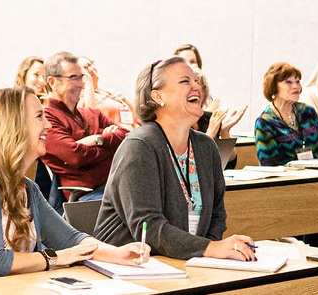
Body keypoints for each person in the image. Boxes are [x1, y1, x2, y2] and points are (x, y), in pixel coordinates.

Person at [0, 87, 146, 287]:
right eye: (39, 117)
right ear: (14, 126)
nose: (48, 125)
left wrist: (118, 254)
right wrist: (56, 258)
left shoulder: (27, 188)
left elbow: (71, 239)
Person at [94, 56, 255, 261]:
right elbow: (149, 227)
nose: (196, 86)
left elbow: (217, 216)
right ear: (158, 96)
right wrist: (211, 248)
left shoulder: (206, 147)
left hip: (184, 262)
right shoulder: (139, 147)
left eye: (196, 81)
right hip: (130, 268)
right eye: (185, 81)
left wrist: (208, 257)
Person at [41, 51, 129, 201]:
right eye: (72, 78)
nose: (80, 84)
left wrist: (97, 139)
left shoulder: (91, 114)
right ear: (52, 82)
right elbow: (75, 156)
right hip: (87, 194)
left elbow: (126, 137)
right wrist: (108, 143)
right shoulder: (47, 118)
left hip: (115, 184)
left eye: (81, 77)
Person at [254, 62, 318, 166]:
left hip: (317, 175)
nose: (296, 86)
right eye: (289, 82)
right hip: (287, 180)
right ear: (273, 87)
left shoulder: (308, 112)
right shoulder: (265, 122)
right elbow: (269, 164)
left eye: (297, 82)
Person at [77, 56, 138, 130]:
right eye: (85, 68)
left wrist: (125, 101)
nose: (91, 69)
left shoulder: (109, 92)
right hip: (117, 137)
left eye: (90, 64)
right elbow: (91, 118)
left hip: (134, 132)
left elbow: (138, 116)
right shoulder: (82, 98)